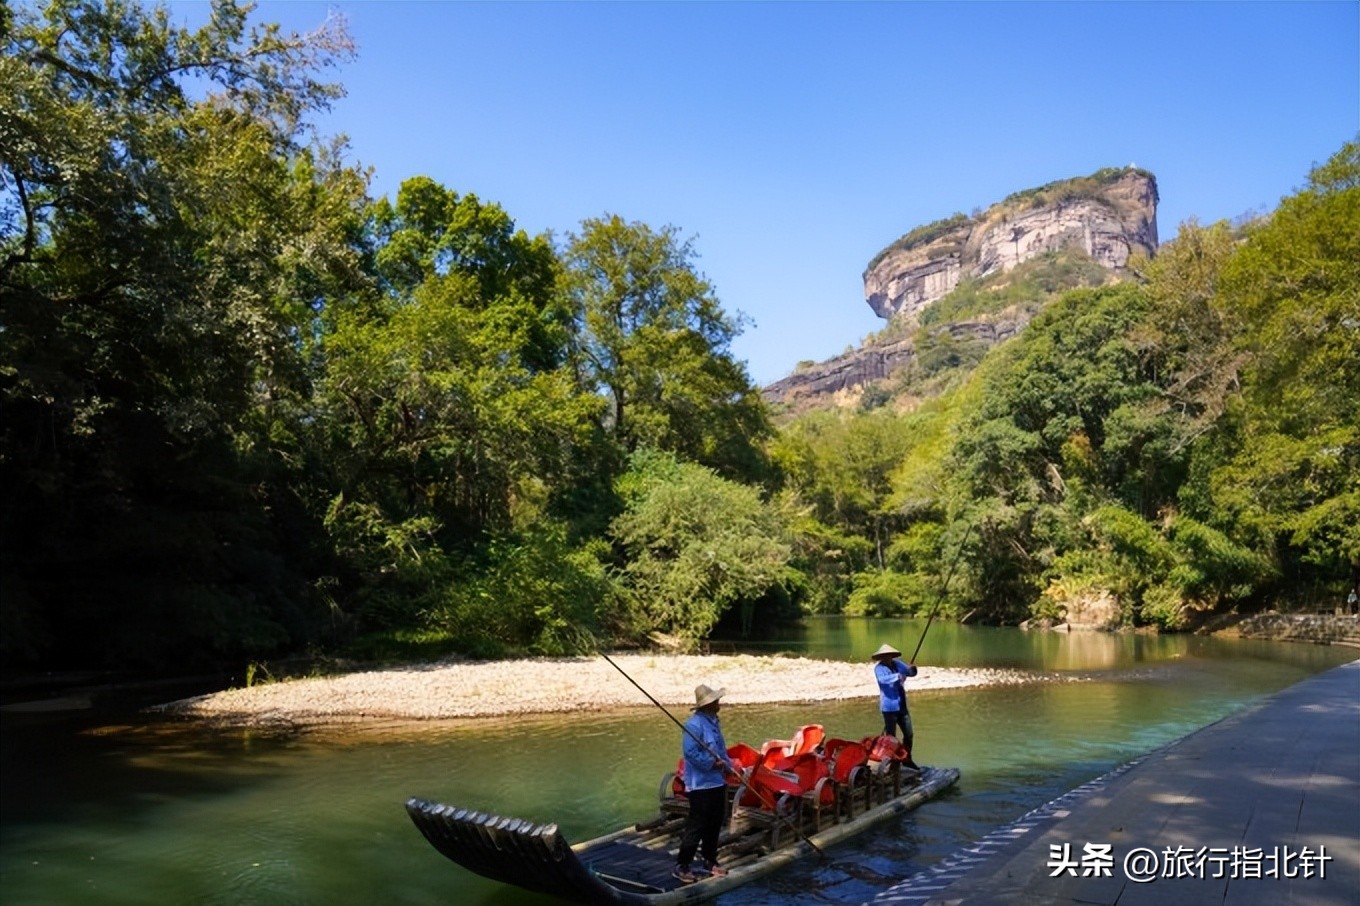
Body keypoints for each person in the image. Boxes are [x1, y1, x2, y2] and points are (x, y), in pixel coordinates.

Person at [674, 684, 734, 885]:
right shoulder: (694, 725)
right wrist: (711, 764)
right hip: (700, 785)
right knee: (697, 825)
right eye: (716, 701)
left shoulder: (714, 723)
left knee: (715, 822)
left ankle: (709, 860)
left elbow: (721, 751)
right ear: (708, 704)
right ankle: (682, 865)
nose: (719, 704)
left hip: (717, 782)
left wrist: (729, 766)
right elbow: (690, 753)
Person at [871, 642, 920, 769]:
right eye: (885, 655)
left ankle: (907, 759)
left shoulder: (897, 664)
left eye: (890, 655)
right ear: (881, 657)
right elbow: (883, 680)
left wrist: (912, 669)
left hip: (901, 705)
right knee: (891, 738)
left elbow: (909, 672)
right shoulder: (879, 668)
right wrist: (898, 676)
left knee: (909, 734)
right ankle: (892, 764)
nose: (888, 657)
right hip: (889, 707)